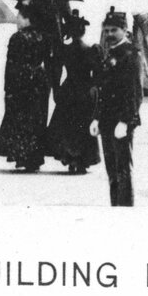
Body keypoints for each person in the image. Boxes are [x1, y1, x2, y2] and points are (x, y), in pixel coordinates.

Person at [0, 10, 53, 171]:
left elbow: (11, 64)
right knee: (37, 118)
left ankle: (21, 154)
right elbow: (48, 61)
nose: (17, 20)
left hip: (20, 79)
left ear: (28, 19)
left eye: (20, 16)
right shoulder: (44, 36)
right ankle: (34, 156)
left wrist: (7, 87)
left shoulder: (17, 37)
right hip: (39, 81)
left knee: (20, 118)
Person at [96, 10, 143, 205]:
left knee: (123, 170)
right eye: (105, 31)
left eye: (113, 30)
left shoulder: (131, 54)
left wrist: (126, 121)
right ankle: (115, 206)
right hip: (107, 121)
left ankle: (125, 210)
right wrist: (96, 117)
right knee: (112, 171)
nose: (109, 34)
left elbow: (134, 93)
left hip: (121, 122)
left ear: (124, 30)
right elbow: (103, 90)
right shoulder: (110, 52)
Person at [43, 11, 100, 174]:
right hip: (85, 90)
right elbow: (97, 74)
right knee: (82, 125)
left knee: (68, 125)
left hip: (69, 88)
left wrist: (56, 89)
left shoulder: (64, 49)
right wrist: (94, 90)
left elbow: (56, 71)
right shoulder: (91, 49)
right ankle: (81, 160)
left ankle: (70, 158)